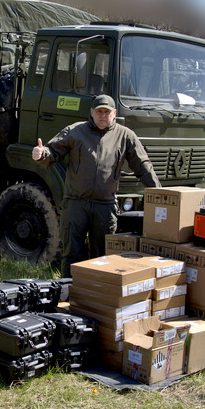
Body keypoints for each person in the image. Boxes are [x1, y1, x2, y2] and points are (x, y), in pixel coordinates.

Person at [32, 94, 160, 277]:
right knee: (72, 255)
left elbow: (143, 166)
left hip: (104, 206)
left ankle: (95, 296)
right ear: (91, 113)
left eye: (106, 112)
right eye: (98, 111)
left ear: (114, 113)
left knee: (102, 257)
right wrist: (41, 154)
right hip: (75, 204)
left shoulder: (125, 136)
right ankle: (69, 295)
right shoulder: (75, 131)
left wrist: (161, 193)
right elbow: (53, 152)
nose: (102, 115)